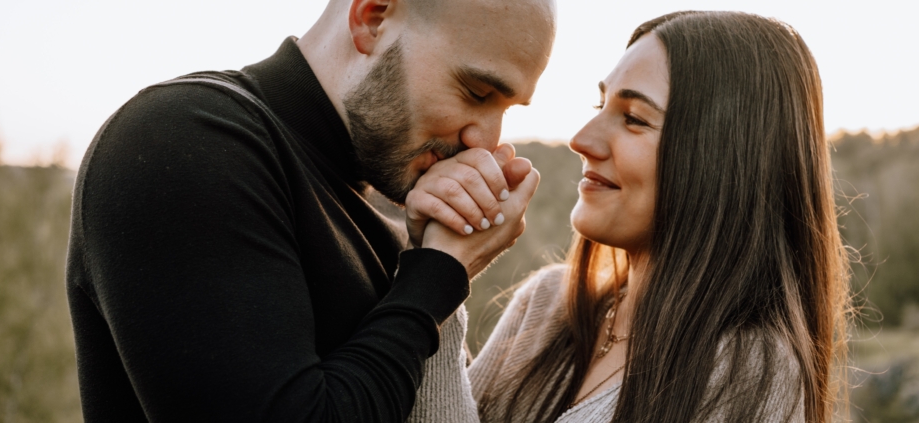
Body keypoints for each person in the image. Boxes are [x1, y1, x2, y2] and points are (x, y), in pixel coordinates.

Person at [64, 0, 553, 421]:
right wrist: (438, 275)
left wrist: (429, 262)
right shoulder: (185, 140)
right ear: (372, 18)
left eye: (507, 109)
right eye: (477, 93)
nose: (486, 141)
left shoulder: (382, 218)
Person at [463, 11, 850, 423]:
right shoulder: (544, 306)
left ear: (723, 160)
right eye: (601, 104)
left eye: (633, 118)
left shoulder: (750, 373)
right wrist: (440, 275)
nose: (581, 139)